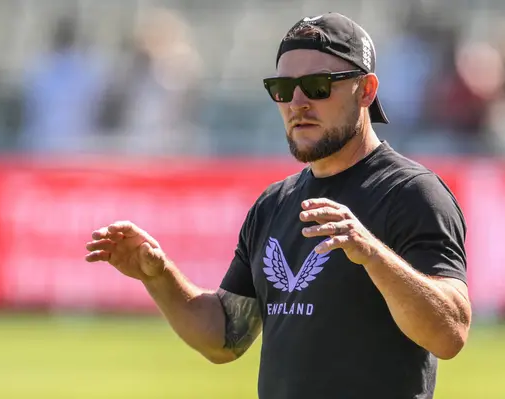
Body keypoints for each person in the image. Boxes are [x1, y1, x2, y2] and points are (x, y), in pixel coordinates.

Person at [85, 12, 471, 399]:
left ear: (366, 90)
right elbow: (226, 336)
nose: (297, 103)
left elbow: (450, 333)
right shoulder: (274, 203)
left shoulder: (412, 193)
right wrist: (159, 276)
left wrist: (371, 254)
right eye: (283, 88)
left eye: (317, 85)